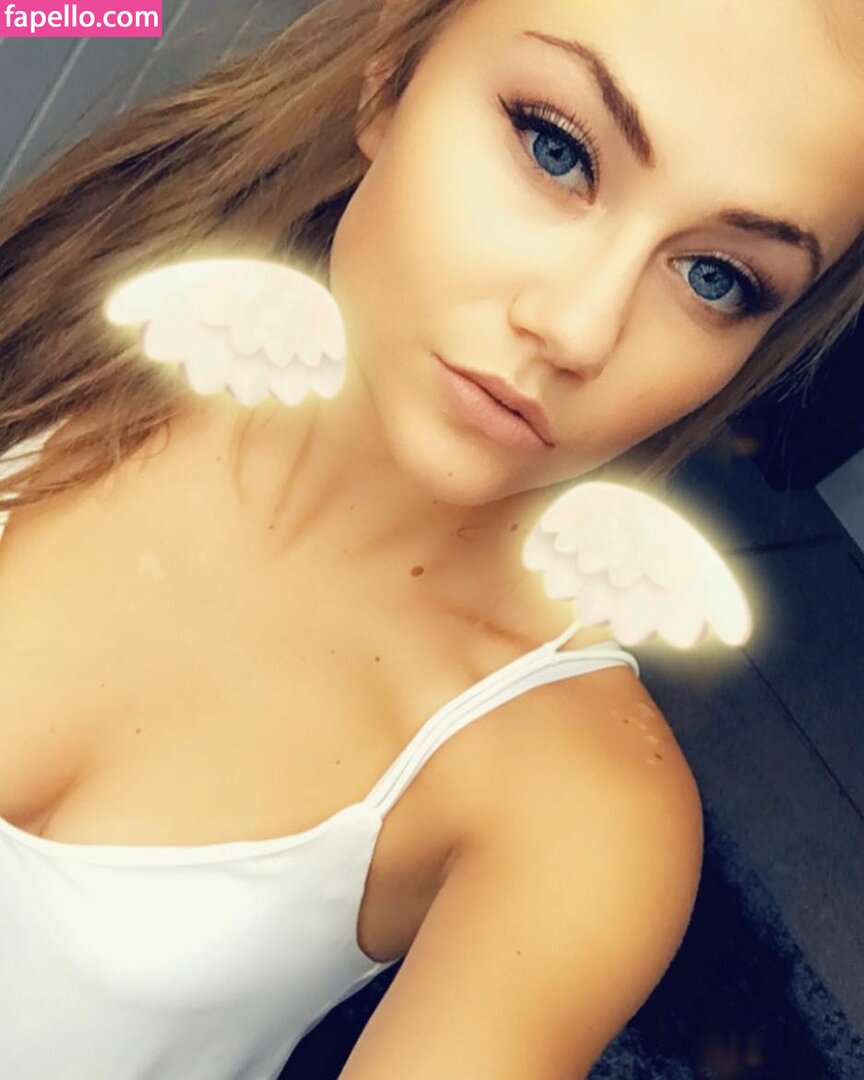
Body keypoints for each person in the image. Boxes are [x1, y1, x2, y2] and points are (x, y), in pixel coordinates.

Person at [0, 0, 861, 1077]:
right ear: (390, 71)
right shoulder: (75, 287)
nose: (579, 327)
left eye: (716, 278)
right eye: (557, 148)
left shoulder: (577, 810)